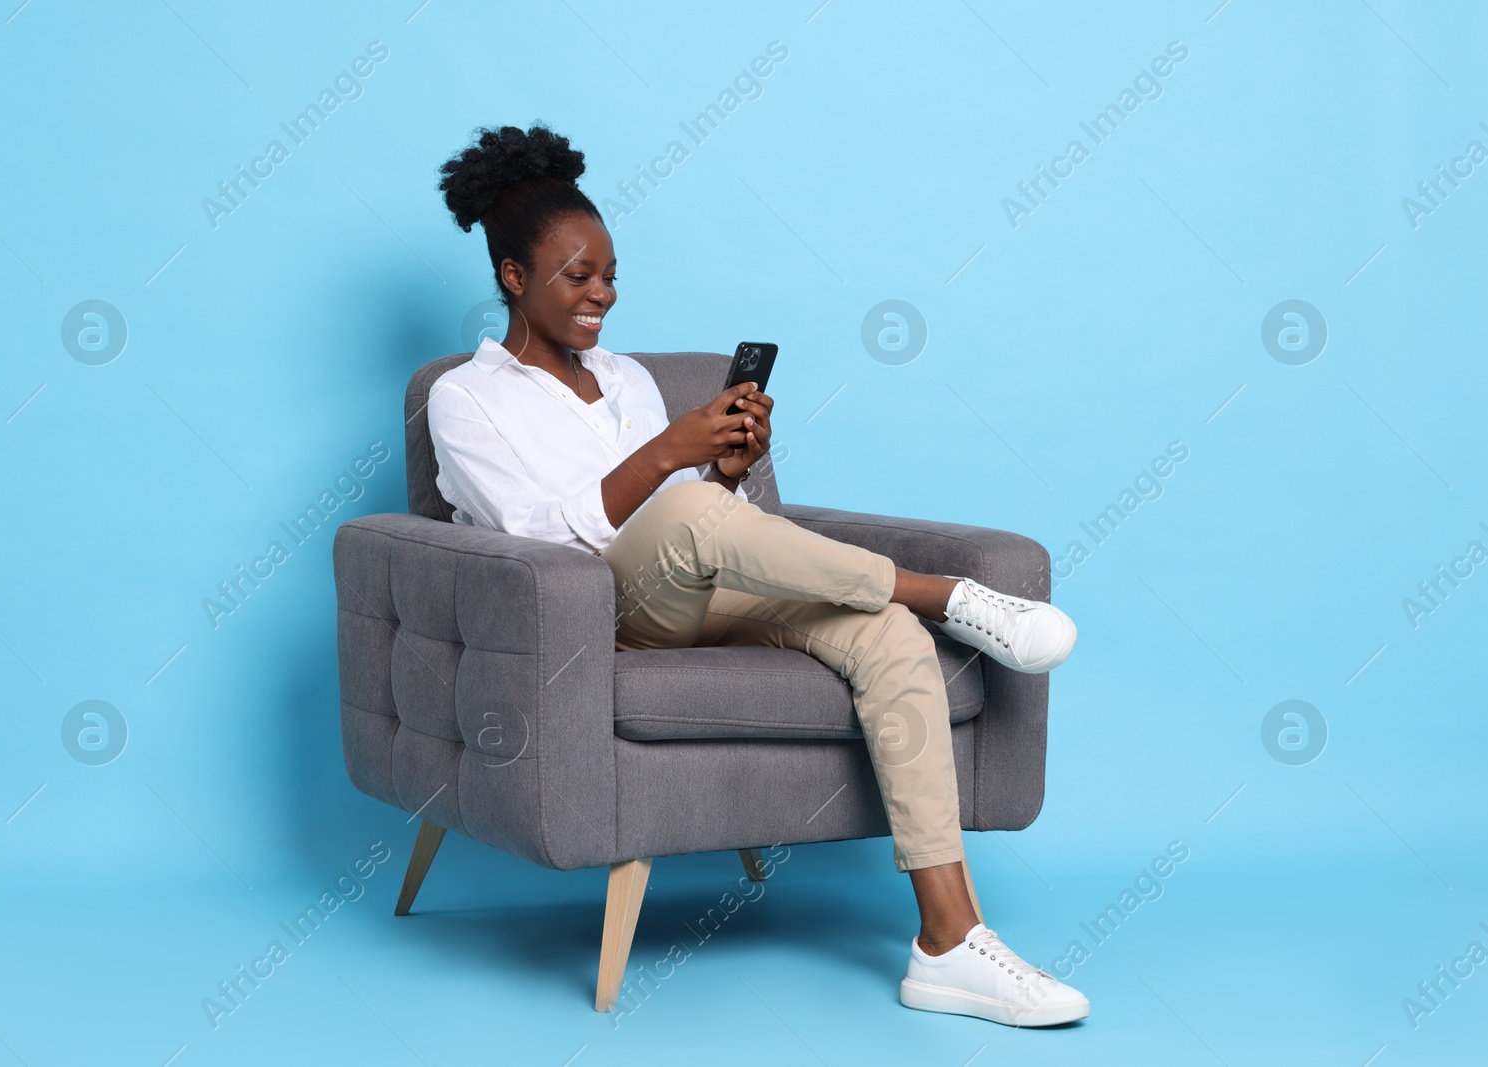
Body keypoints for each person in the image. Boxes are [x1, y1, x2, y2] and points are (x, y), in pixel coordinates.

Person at [428, 124, 1089, 1028]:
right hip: (595, 610)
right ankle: (947, 596)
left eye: (611, 274)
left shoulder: (625, 378)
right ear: (512, 277)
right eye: (576, 276)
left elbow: (702, 520)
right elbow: (535, 537)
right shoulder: (465, 398)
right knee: (699, 512)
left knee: (883, 635)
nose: (602, 296)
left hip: (692, 581)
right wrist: (670, 457)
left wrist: (727, 464)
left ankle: (948, 941)